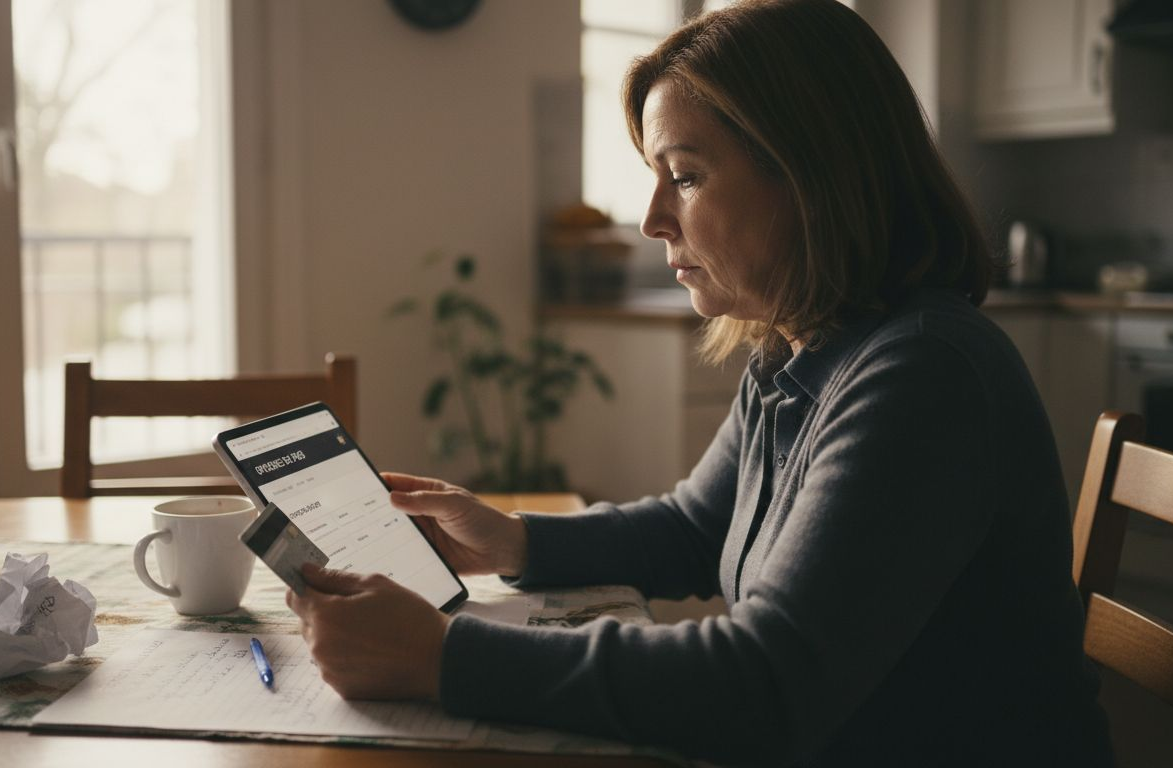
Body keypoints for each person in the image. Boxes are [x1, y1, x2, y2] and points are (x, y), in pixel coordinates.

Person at [287, 0, 1115, 764]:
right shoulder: (800, 351)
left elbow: (764, 682)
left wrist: (442, 657)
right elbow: (697, 527)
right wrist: (514, 541)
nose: (651, 218)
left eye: (683, 175)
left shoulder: (925, 374)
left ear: (811, 174)